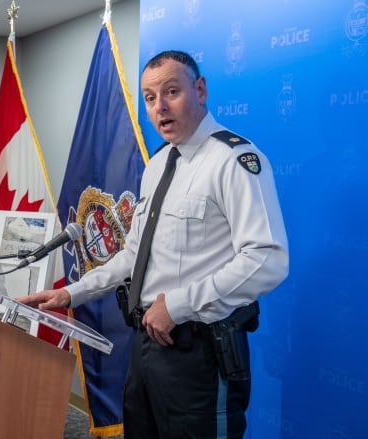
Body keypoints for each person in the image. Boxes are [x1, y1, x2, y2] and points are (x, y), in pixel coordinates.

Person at [18, 50, 289, 438]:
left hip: (200, 354)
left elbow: (268, 259)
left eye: (172, 91)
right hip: (146, 346)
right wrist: (71, 295)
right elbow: (135, 255)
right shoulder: (160, 162)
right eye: (148, 97)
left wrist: (177, 305)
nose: (159, 107)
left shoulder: (233, 160)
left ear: (200, 90)